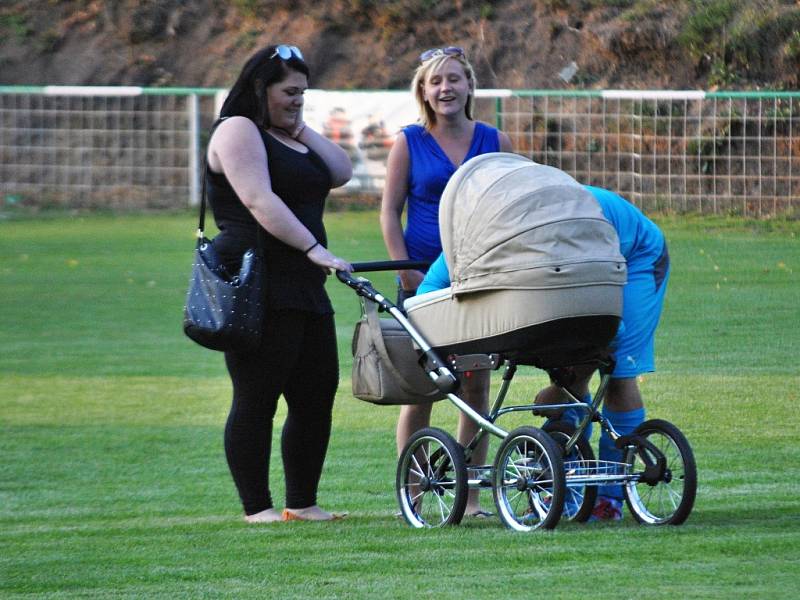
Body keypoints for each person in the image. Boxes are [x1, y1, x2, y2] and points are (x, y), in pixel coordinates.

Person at [417, 184, 670, 523]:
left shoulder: (543, 233)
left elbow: (600, 325)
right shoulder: (479, 236)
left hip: (634, 256)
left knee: (618, 370)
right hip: (572, 262)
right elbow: (428, 295)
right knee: (568, 363)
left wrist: (571, 380)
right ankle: (563, 480)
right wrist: (442, 345)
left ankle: (609, 498)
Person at [205, 44, 353, 523]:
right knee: (257, 396)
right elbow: (258, 200)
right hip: (258, 281)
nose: (298, 100)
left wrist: (299, 124)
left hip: (305, 284)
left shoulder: (290, 135)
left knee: (315, 396)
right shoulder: (237, 130)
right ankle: (257, 508)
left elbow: (341, 171)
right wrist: (314, 248)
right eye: (289, 92)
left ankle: (302, 503)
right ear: (259, 88)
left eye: (304, 93)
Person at [379, 46, 513, 517]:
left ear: (470, 86)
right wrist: (405, 270)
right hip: (422, 284)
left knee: (475, 388)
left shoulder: (495, 140)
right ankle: (413, 495)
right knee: (422, 389)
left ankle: (471, 496)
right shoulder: (409, 142)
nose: (446, 89)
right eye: (435, 82)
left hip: (477, 283)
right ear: (423, 91)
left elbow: (510, 210)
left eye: (454, 79)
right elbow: (389, 213)